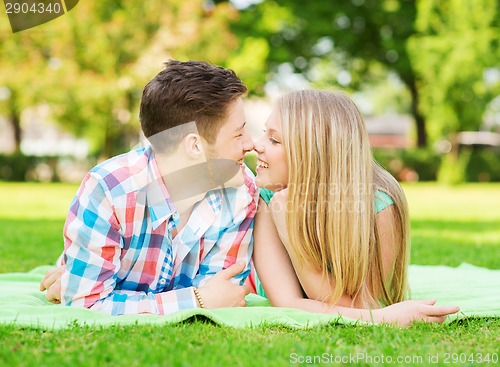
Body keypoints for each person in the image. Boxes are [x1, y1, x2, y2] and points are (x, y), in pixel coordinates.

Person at [39, 60, 259, 315]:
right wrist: (197, 300)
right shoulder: (109, 190)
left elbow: (222, 294)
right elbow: (87, 305)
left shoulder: (241, 190)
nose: (251, 143)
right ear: (195, 146)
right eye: (238, 134)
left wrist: (108, 296)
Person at [250, 90, 460, 326]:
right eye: (263, 134)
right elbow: (288, 302)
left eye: (274, 139)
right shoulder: (268, 199)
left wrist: (290, 234)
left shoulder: (379, 205)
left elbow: (358, 305)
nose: (255, 145)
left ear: (315, 152)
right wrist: (385, 318)